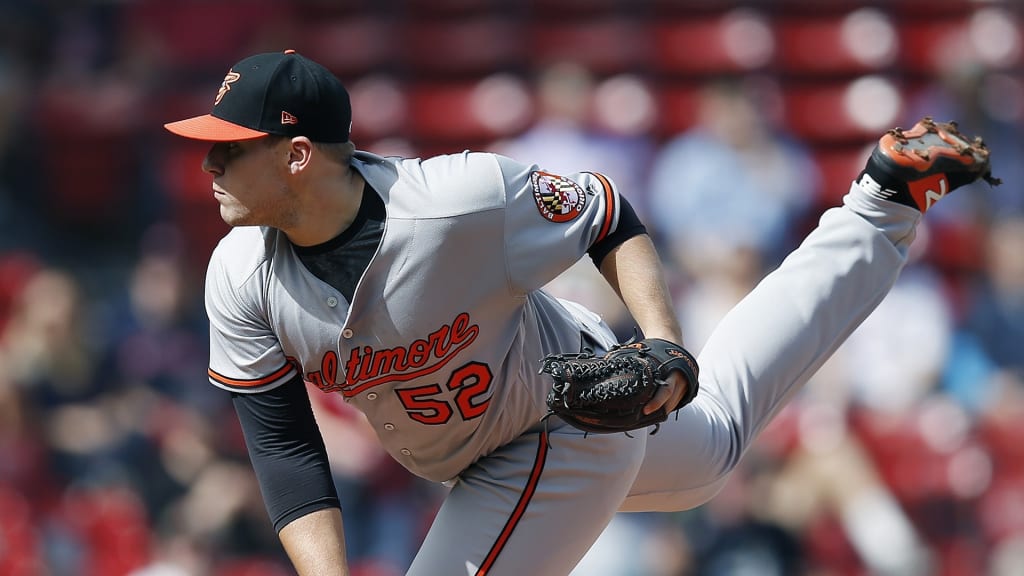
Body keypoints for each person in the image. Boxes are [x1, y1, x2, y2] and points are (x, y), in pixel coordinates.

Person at [162, 49, 997, 576]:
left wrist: (665, 346)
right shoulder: (239, 275)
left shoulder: (456, 201)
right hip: (488, 441)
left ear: (299, 156)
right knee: (714, 450)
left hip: (563, 419)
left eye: (229, 149)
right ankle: (882, 203)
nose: (209, 165)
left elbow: (607, 215)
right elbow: (283, 445)